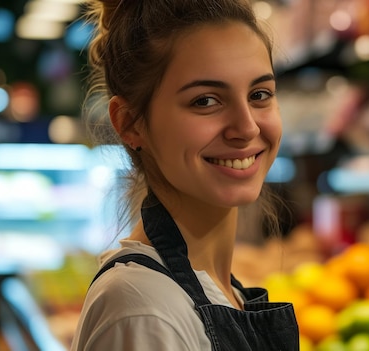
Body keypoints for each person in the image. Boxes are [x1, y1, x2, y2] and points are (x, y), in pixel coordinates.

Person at [70, 0, 299, 350]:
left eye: (259, 94)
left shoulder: (221, 291)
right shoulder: (143, 310)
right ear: (130, 123)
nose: (247, 127)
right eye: (205, 101)